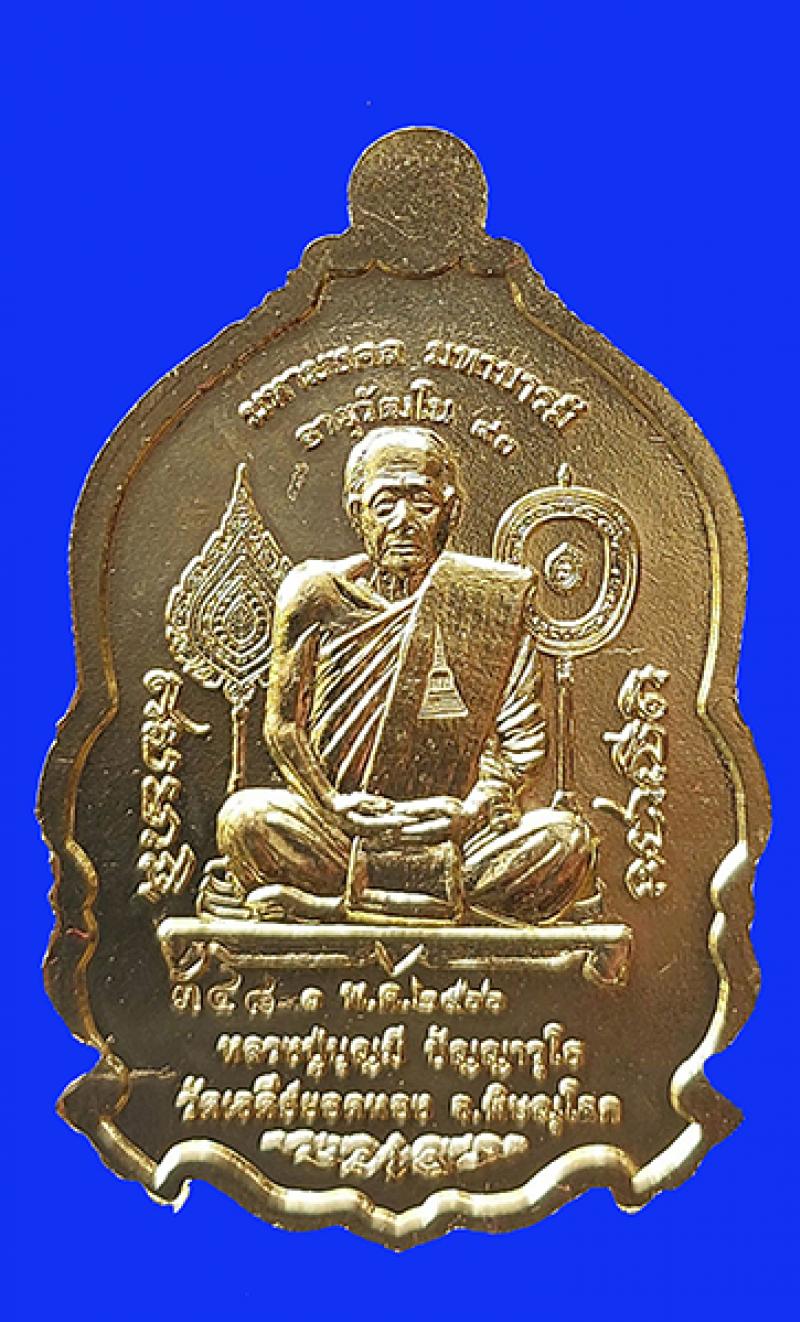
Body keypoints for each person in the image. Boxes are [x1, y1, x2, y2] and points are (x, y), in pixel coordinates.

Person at [200, 425, 595, 925]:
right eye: (385, 504)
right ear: (356, 512)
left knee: (565, 840)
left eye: (422, 502)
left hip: (458, 838)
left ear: (451, 512)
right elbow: (282, 728)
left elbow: (518, 744)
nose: (403, 521)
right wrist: (333, 804)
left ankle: (336, 903)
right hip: (341, 830)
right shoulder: (316, 594)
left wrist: (470, 812)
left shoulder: (488, 601)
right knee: (245, 820)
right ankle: (438, 900)